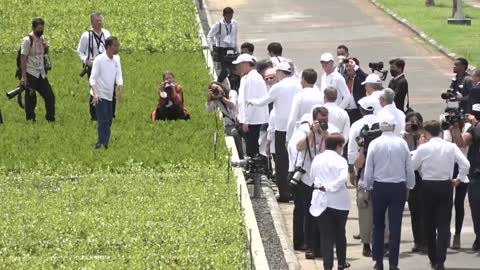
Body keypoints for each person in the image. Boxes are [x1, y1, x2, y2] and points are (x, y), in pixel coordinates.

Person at [412, 120, 470, 270]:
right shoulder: (450, 146)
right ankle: (441, 260)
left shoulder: (423, 148)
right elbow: (465, 165)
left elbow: (411, 166)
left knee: (429, 224)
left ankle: (433, 258)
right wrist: (459, 179)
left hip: (428, 186)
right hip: (445, 185)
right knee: (443, 225)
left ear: (427, 133)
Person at [364, 113, 415, 270]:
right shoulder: (402, 143)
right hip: (398, 187)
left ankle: (378, 262)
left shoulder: (374, 143)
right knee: (395, 226)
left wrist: (368, 187)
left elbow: (369, 168)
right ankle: (394, 263)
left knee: (377, 225)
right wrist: (409, 186)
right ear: (394, 126)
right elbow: (408, 167)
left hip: (379, 186)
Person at [248, 62, 301, 202]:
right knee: (296, 160)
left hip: (282, 128)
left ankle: (284, 193)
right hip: (297, 127)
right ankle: (296, 191)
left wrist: (251, 101)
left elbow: (263, 102)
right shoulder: (298, 83)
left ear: (280, 72)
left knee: (282, 162)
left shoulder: (278, 87)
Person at [295, 106, 340, 259]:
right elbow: (298, 147)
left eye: (325, 120)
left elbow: (339, 147)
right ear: (314, 119)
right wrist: (311, 134)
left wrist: (325, 134)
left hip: (325, 180)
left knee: (324, 214)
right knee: (310, 214)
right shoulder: (305, 130)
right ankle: (309, 246)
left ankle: (321, 247)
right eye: (321, 120)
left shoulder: (331, 130)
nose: (323, 123)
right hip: (309, 178)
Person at [310, 133, 351, 270]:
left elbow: (312, 176)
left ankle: (327, 266)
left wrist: (324, 186)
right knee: (340, 233)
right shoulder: (340, 161)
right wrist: (331, 187)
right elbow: (342, 178)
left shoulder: (317, 158)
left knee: (326, 236)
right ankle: (341, 262)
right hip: (339, 202)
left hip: (321, 201)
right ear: (339, 146)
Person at [347, 96, 380, 257]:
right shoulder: (383, 124)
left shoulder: (357, 126)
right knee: (382, 211)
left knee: (364, 210)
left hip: (363, 172)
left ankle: (366, 244)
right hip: (382, 175)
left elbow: (352, 151)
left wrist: (351, 170)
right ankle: (383, 242)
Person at [451, 103, 480, 252]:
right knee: (476, 208)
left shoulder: (475, 127)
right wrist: (455, 127)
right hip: (476, 174)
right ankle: (478, 237)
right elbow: (461, 142)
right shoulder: (473, 129)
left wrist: (475, 123)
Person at [89, 36, 123, 149]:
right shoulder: (99, 60)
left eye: (118, 45)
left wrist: (120, 89)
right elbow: (92, 79)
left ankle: (104, 141)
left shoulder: (117, 59)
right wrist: (95, 93)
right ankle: (102, 143)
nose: (117, 48)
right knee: (102, 120)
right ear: (108, 47)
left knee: (109, 120)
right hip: (99, 94)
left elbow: (118, 75)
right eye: (115, 46)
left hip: (110, 94)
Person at [77, 11, 112, 121]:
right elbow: (80, 51)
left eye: (101, 20)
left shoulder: (106, 33)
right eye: (97, 20)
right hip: (93, 67)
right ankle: (94, 116)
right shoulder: (86, 36)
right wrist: (86, 61)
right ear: (92, 22)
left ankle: (108, 114)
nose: (100, 22)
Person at [20, 18, 56, 122]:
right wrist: (23, 76)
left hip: (41, 73)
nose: (41, 30)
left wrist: (46, 48)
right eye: (39, 29)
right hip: (31, 73)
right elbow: (23, 59)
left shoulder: (42, 38)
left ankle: (50, 119)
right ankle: (31, 120)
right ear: (33, 28)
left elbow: (44, 54)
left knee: (50, 96)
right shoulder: (27, 41)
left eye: (42, 28)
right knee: (31, 98)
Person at [403, 112, 428, 254]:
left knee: (425, 211)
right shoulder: (405, 136)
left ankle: (427, 240)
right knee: (415, 212)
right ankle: (418, 241)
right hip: (412, 177)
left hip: (425, 177)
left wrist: (420, 134)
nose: (413, 125)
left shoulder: (426, 136)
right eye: (410, 122)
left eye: (416, 122)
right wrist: (408, 134)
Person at [235, 54, 269, 157]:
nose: (238, 67)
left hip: (252, 120)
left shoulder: (253, 78)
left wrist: (246, 121)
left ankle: (255, 166)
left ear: (246, 64)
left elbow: (251, 102)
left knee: (252, 145)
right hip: (249, 118)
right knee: (250, 144)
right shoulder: (247, 77)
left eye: (240, 64)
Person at [207, 81, 243, 159]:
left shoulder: (232, 93)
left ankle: (244, 157)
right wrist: (209, 100)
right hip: (230, 124)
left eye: (217, 88)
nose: (216, 91)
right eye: (213, 90)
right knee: (234, 134)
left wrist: (221, 97)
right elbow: (209, 111)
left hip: (241, 121)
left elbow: (232, 105)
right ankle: (240, 157)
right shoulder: (216, 100)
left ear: (221, 86)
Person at [286, 68, 323, 142]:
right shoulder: (321, 95)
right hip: (318, 133)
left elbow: (292, 119)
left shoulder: (299, 96)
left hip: (301, 133)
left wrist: (288, 137)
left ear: (303, 79)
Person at [207, 7, 238, 83]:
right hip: (222, 50)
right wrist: (212, 48)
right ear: (223, 15)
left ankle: (231, 87)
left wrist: (237, 50)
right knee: (225, 70)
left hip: (232, 49)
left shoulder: (234, 23)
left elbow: (235, 37)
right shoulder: (219, 24)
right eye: (228, 16)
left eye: (231, 16)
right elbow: (209, 36)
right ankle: (218, 83)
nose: (229, 18)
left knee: (233, 70)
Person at [344, 57, 367, 124]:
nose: (348, 68)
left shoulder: (361, 78)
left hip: (358, 111)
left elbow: (366, 78)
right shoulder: (344, 79)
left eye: (350, 66)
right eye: (347, 66)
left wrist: (357, 68)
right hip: (346, 111)